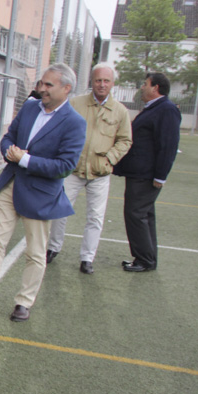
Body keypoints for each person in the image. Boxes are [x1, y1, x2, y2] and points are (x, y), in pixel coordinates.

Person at [0, 64, 86, 322]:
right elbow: (8, 137)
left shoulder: (75, 123)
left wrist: (25, 159)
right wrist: (9, 150)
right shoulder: (31, 107)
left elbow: (65, 166)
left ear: (66, 89)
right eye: (42, 83)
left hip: (40, 195)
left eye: (49, 85)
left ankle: (24, 302)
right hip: (10, 185)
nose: (42, 89)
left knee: (35, 252)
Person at [46, 63, 133, 274]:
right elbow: (60, 128)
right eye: (98, 80)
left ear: (112, 83)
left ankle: (87, 258)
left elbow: (125, 140)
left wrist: (109, 159)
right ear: (91, 82)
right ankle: (53, 248)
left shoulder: (120, 111)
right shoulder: (75, 104)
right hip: (73, 171)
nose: (102, 85)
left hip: (100, 173)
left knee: (95, 217)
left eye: (106, 81)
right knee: (60, 211)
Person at [113, 72, 180, 272]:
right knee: (144, 215)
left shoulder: (166, 110)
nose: (142, 87)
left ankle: (144, 260)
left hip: (146, 175)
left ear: (155, 88)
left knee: (135, 214)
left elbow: (168, 145)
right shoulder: (155, 108)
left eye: (145, 84)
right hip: (140, 174)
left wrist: (160, 176)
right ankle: (147, 258)